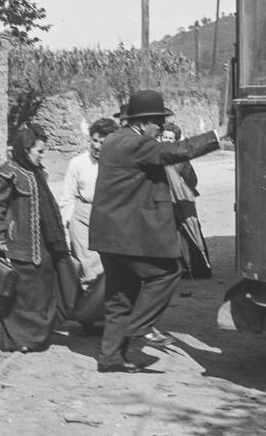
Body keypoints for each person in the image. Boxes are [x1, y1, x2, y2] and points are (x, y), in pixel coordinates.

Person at [89, 89, 226, 373]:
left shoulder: (115, 140)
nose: (161, 128)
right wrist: (219, 134)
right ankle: (140, 326)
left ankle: (111, 357)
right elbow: (176, 151)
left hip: (108, 235)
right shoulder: (135, 143)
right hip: (127, 235)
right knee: (167, 272)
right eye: (158, 122)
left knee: (120, 296)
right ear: (142, 122)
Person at [0, 124, 73, 353]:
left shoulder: (37, 173)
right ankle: (18, 340)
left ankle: (36, 337)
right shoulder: (6, 174)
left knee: (41, 295)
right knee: (19, 300)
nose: (41, 156)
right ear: (25, 148)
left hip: (44, 248)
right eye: (38, 151)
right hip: (17, 248)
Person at [61, 117, 120, 288]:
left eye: (102, 142)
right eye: (94, 140)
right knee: (88, 266)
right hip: (83, 218)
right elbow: (68, 198)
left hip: (110, 218)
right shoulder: (77, 163)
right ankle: (89, 302)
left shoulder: (118, 165)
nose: (96, 146)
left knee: (109, 264)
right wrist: (68, 225)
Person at [161, 123, 212, 279]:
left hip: (179, 201)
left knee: (189, 231)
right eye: (165, 137)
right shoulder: (158, 155)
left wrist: (180, 189)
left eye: (170, 138)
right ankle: (178, 269)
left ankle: (197, 269)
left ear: (176, 140)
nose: (167, 141)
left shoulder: (181, 159)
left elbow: (192, 180)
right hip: (164, 201)